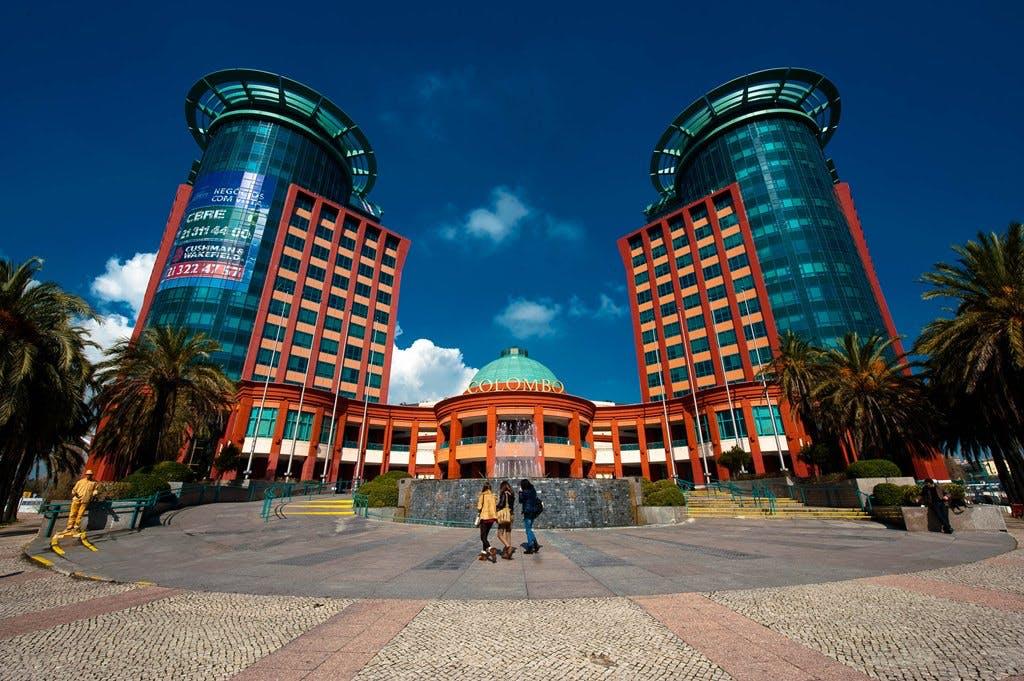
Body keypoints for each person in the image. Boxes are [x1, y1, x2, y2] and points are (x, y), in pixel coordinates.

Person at [476, 482, 498, 562]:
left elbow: (479, 507)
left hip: (485, 517)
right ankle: (484, 554)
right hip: (492, 518)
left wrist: (479, 507)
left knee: (482, 537)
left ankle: (491, 549)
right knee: (485, 536)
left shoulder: (483, 495)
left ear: (484, 488)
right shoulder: (493, 496)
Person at [519, 479, 541, 554]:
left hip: (528, 512)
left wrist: (520, 492)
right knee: (529, 529)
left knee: (528, 530)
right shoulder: (533, 490)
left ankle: (530, 547)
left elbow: (520, 500)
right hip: (533, 511)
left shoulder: (525, 492)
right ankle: (536, 544)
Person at [495, 480, 516, 560]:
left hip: (504, 515)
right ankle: (507, 553)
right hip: (511, 515)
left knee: (499, 534)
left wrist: (496, 506)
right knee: (508, 533)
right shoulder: (512, 494)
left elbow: (501, 504)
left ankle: (508, 547)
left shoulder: (504, 494)